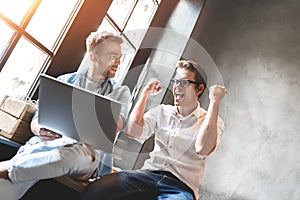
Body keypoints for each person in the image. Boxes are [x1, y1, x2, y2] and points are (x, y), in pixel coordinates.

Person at [0, 31, 131, 199]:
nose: (118, 62)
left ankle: (7, 168)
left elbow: (115, 126)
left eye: (120, 57)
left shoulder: (120, 92)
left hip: (87, 156)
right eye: (113, 56)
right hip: (46, 145)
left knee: (72, 154)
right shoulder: (65, 80)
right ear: (94, 56)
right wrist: (40, 129)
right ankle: (11, 171)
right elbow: (37, 119)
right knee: (8, 186)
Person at [80, 60, 227, 200]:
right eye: (175, 82)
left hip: (180, 186)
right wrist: (145, 94)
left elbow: (203, 148)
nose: (177, 87)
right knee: (97, 189)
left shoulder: (212, 122)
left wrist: (215, 102)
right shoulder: (162, 111)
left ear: (199, 89)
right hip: (148, 175)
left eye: (184, 82)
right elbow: (133, 131)